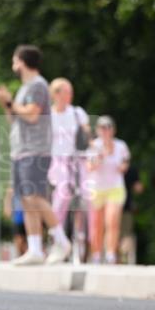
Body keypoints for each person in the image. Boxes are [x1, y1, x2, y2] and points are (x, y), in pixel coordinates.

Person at [0, 45, 71, 265]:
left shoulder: (37, 85)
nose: (13, 65)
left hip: (35, 149)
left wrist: (9, 102)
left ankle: (61, 240)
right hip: (21, 149)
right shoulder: (24, 88)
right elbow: (14, 118)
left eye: (15, 61)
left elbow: (32, 115)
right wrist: (5, 102)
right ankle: (35, 248)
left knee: (36, 198)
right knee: (26, 201)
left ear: (23, 62)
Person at [48, 78, 91, 257]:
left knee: (85, 196)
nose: (70, 95)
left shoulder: (77, 113)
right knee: (63, 193)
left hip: (77, 159)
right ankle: (56, 233)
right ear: (56, 94)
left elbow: (87, 135)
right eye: (66, 91)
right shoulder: (48, 115)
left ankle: (81, 238)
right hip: (58, 160)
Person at [87, 115, 130, 264]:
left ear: (113, 130)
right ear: (98, 130)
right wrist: (100, 157)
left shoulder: (121, 146)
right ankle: (97, 254)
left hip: (115, 187)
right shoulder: (94, 146)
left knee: (112, 221)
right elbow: (89, 167)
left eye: (108, 127)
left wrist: (121, 167)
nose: (106, 131)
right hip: (97, 188)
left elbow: (125, 165)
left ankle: (111, 253)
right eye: (102, 128)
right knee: (97, 224)